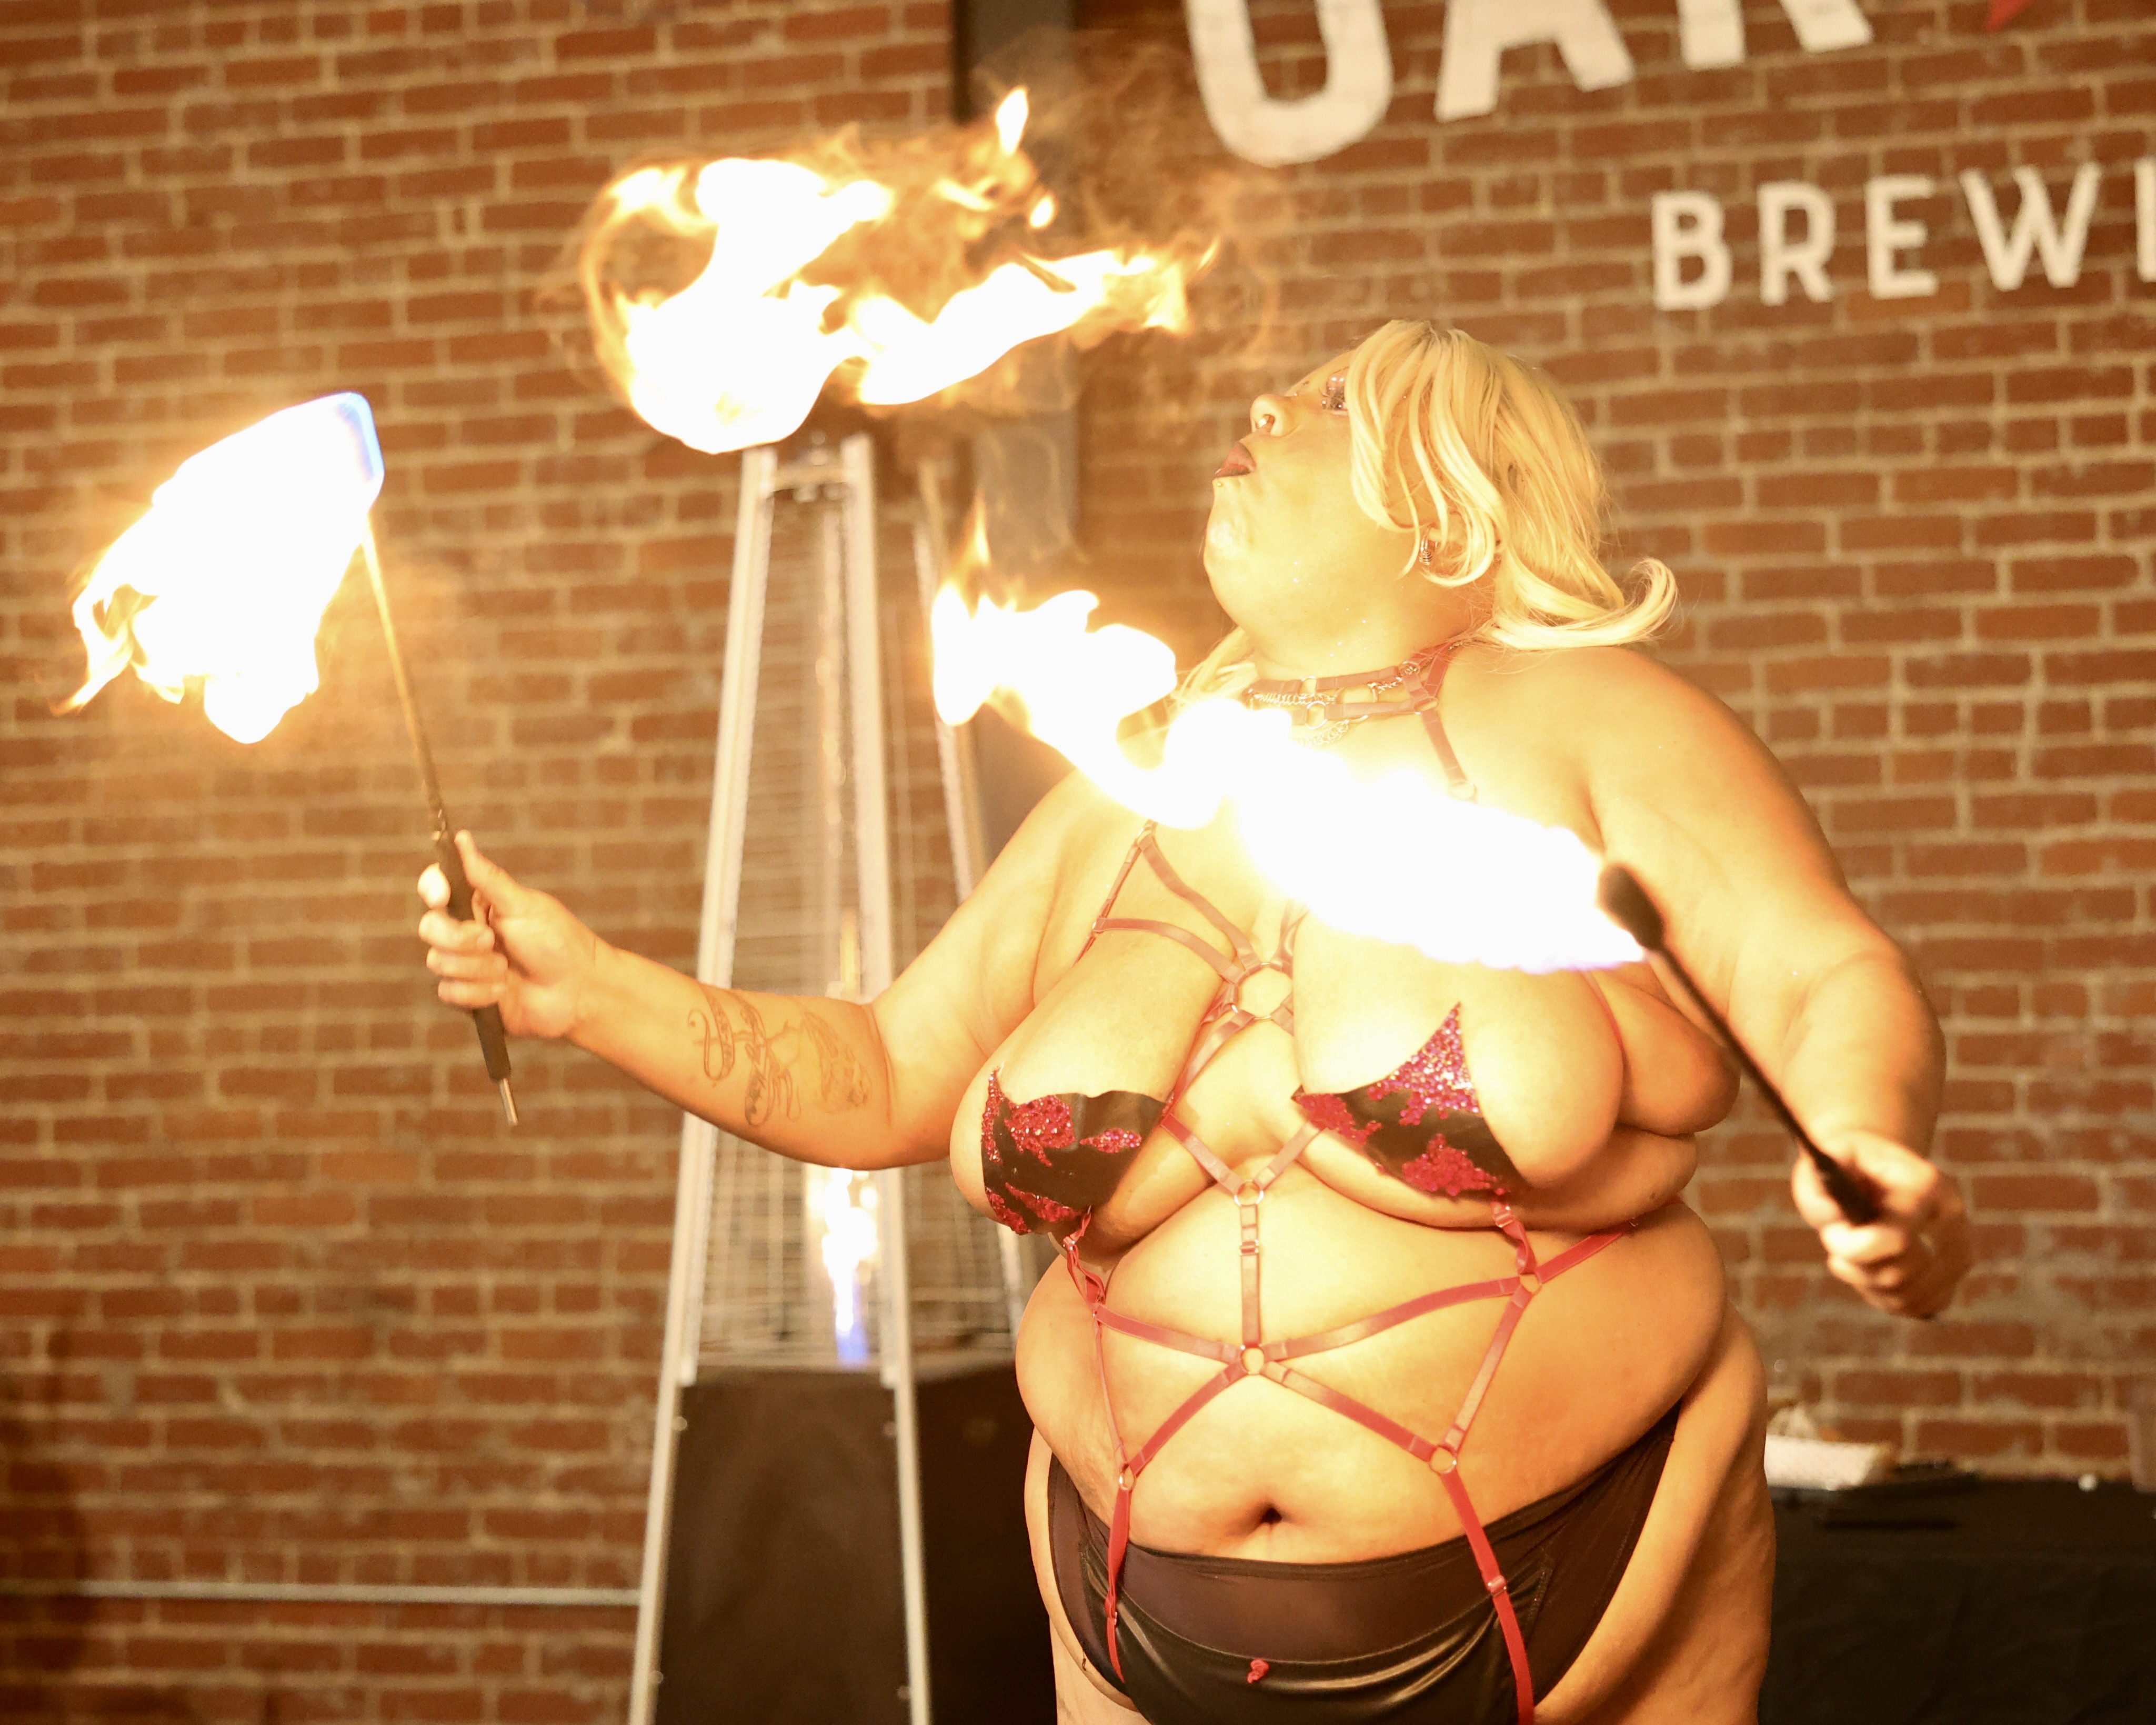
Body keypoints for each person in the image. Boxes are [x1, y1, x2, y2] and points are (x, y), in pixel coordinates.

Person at [418, 320, 1972, 1724]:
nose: (1266, 409)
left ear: (1451, 509)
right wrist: (589, 989)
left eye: (1329, 403)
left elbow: (1818, 975)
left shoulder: (1591, 724)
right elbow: (886, 1073)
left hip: (1575, 1563)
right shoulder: (1132, 788)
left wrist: (1869, 1143)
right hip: (1124, 1609)